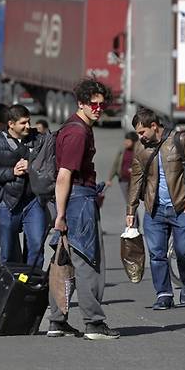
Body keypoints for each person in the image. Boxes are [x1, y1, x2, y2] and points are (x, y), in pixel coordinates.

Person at [47, 78, 120, 340]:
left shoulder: (75, 127)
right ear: (81, 103)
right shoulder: (78, 132)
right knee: (89, 262)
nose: (99, 108)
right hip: (77, 202)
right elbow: (64, 175)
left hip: (74, 200)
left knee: (62, 262)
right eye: (93, 104)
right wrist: (62, 215)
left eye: (102, 105)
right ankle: (94, 323)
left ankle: (57, 321)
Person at [126, 108, 185, 309]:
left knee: (184, 251)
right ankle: (164, 294)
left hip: (181, 207)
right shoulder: (141, 148)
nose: (140, 137)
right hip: (154, 210)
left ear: (154, 127)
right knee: (156, 254)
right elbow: (136, 180)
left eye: (142, 132)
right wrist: (131, 210)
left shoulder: (179, 140)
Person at [0, 104, 46, 267]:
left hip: (33, 201)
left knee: (36, 246)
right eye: (23, 123)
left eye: (29, 122)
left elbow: (50, 164)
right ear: (11, 124)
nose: (28, 126)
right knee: (8, 251)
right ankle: (10, 285)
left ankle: (31, 283)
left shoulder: (39, 139)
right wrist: (12, 171)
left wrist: (31, 165)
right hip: (8, 203)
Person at [106, 131, 139, 201]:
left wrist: (134, 169)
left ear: (133, 142)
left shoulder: (139, 152)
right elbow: (116, 164)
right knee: (128, 200)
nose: (126, 142)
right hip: (123, 180)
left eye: (128, 141)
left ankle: (133, 211)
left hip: (135, 181)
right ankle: (132, 212)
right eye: (125, 140)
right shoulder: (122, 151)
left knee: (133, 200)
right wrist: (109, 179)